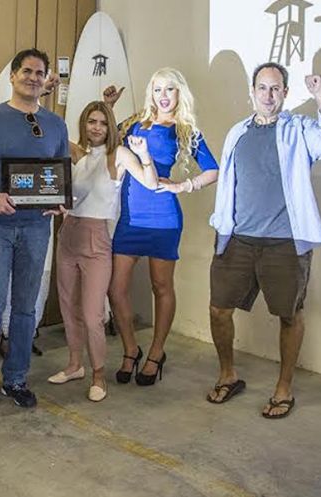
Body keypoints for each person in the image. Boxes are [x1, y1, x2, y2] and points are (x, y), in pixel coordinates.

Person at [206, 63, 321, 419]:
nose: (268, 95)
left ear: (284, 93)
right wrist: (222, 230)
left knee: (288, 314)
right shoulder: (237, 133)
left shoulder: (297, 129)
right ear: (252, 91)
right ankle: (228, 374)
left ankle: (284, 388)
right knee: (219, 308)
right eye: (262, 88)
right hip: (238, 238)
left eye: (275, 89)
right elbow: (228, 187)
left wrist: (319, 96)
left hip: (284, 242)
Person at [0, 48, 68, 427]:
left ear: (46, 79)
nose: (33, 78)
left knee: (25, 309)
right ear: (13, 76)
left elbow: (58, 176)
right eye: (27, 71)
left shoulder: (55, 124)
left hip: (37, 227)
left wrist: (58, 203)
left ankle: (16, 379)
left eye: (40, 73)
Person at [108, 68, 219, 386]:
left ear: (179, 93)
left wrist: (184, 186)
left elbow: (213, 170)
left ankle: (156, 353)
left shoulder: (185, 130)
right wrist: (110, 106)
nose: (164, 95)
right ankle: (131, 349)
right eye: (157, 89)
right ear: (151, 93)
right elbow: (104, 140)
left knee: (162, 287)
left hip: (164, 219)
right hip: (130, 218)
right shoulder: (134, 121)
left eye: (170, 89)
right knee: (116, 289)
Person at [49, 101, 157, 401]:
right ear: (83, 124)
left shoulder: (118, 155)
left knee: (93, 314)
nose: (96, 127)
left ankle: (98, 375)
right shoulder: (78, 155)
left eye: (102, 122)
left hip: (97, 240)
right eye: (90, 121)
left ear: (110, 127)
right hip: (68, 234)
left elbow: (149, 182)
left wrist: (145, 155)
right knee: (68, 306)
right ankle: (74, 365)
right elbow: (50, 126)